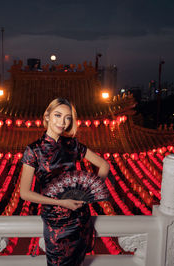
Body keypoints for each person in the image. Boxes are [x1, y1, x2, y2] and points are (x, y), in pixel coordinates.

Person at [20, 98, 110, 266]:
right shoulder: (33, 150)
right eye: (58, 115)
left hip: (80, 218)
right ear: (47, 116)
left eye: (68, 117)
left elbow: (104, 165)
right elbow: (24, 193)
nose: (62, 122)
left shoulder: (72, 144)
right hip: (56, 224)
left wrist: (90, 192)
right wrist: (60, 202)